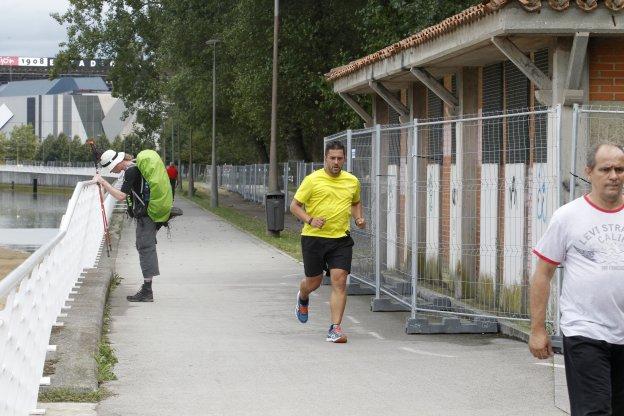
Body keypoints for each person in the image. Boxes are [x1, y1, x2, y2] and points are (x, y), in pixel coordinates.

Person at [530, 142, 624, 415]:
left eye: (619, 169)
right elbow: (542, 275)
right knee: (593, 411)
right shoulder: (568, 216)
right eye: (606, 169)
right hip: (585, 331)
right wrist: (537, 329)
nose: (614, 176)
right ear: (589, 172)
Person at [290, 140, 366, 343]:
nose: (336, 162)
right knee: (313, 282)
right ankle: (303, 296)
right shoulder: (312, 180)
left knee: (339, 281)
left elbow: (356, 202)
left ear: (344, 159)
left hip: (340, 239)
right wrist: (310, 219)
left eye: (339, 158)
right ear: (325, 158)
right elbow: (294, 206)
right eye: (332, 158)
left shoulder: (352, 181)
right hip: (313, 238)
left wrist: (358, 218)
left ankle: (335, 328)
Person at [94, 149, 171, 302]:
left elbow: (121, 196)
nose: (114, 171)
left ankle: (147, 291)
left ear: (117, 164)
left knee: (145, 248)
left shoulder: (131, 171)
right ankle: (147, 288)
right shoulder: (135, 166)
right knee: (145, 246)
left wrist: (103, 182)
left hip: (146, 214)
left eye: (112, 168)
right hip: (151, 210)